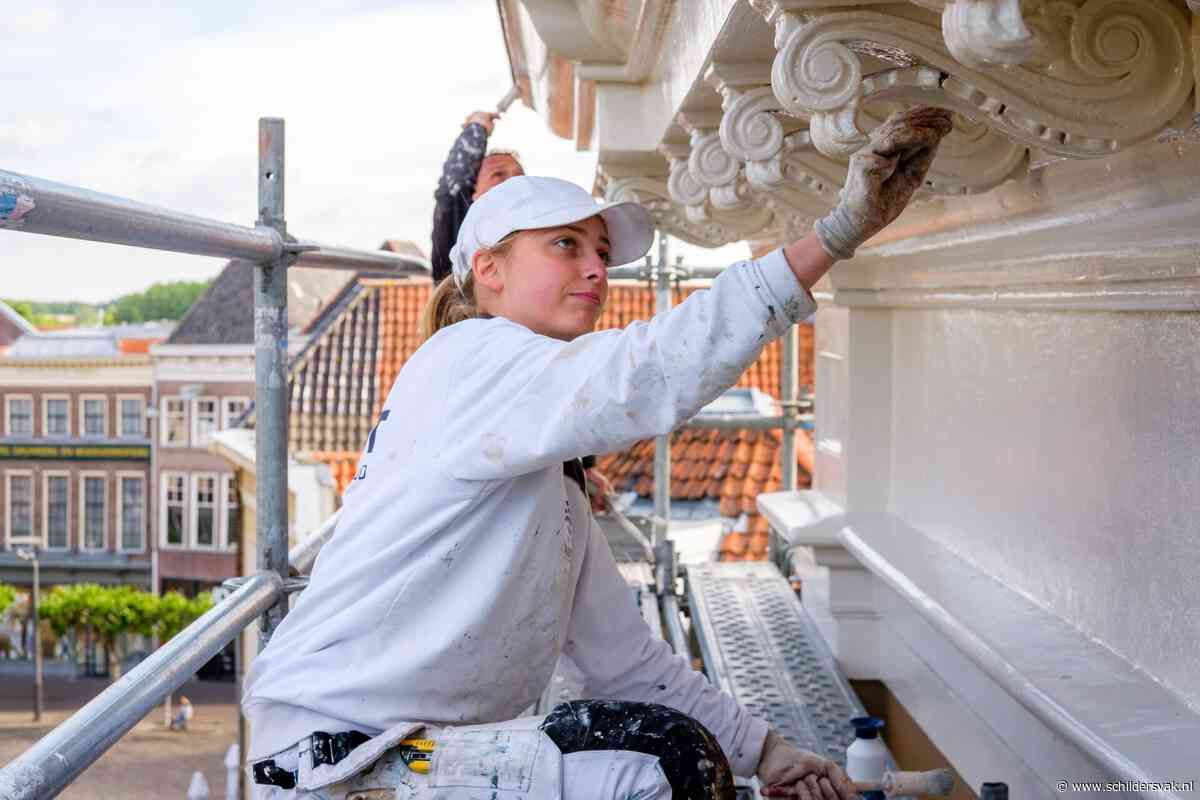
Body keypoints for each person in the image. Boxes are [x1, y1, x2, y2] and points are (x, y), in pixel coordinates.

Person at [243, 106, 953, 800]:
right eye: (565, 246)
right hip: (340, 758)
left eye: (602, 254)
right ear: (489, 269)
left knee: (662, 756)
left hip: (413, 752)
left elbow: (624, 660)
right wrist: (830, 237)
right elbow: (640, 373)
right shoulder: (468, 360)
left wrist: (769, 754)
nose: (595, 271)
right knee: (659, 760)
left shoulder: (549, 489)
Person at [430, 110, 524, 285]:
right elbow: (454, 184)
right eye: (498, 175)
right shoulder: (459, 221)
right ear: (472, 193)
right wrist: (477, 127)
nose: (512, 181)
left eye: (520, 176)